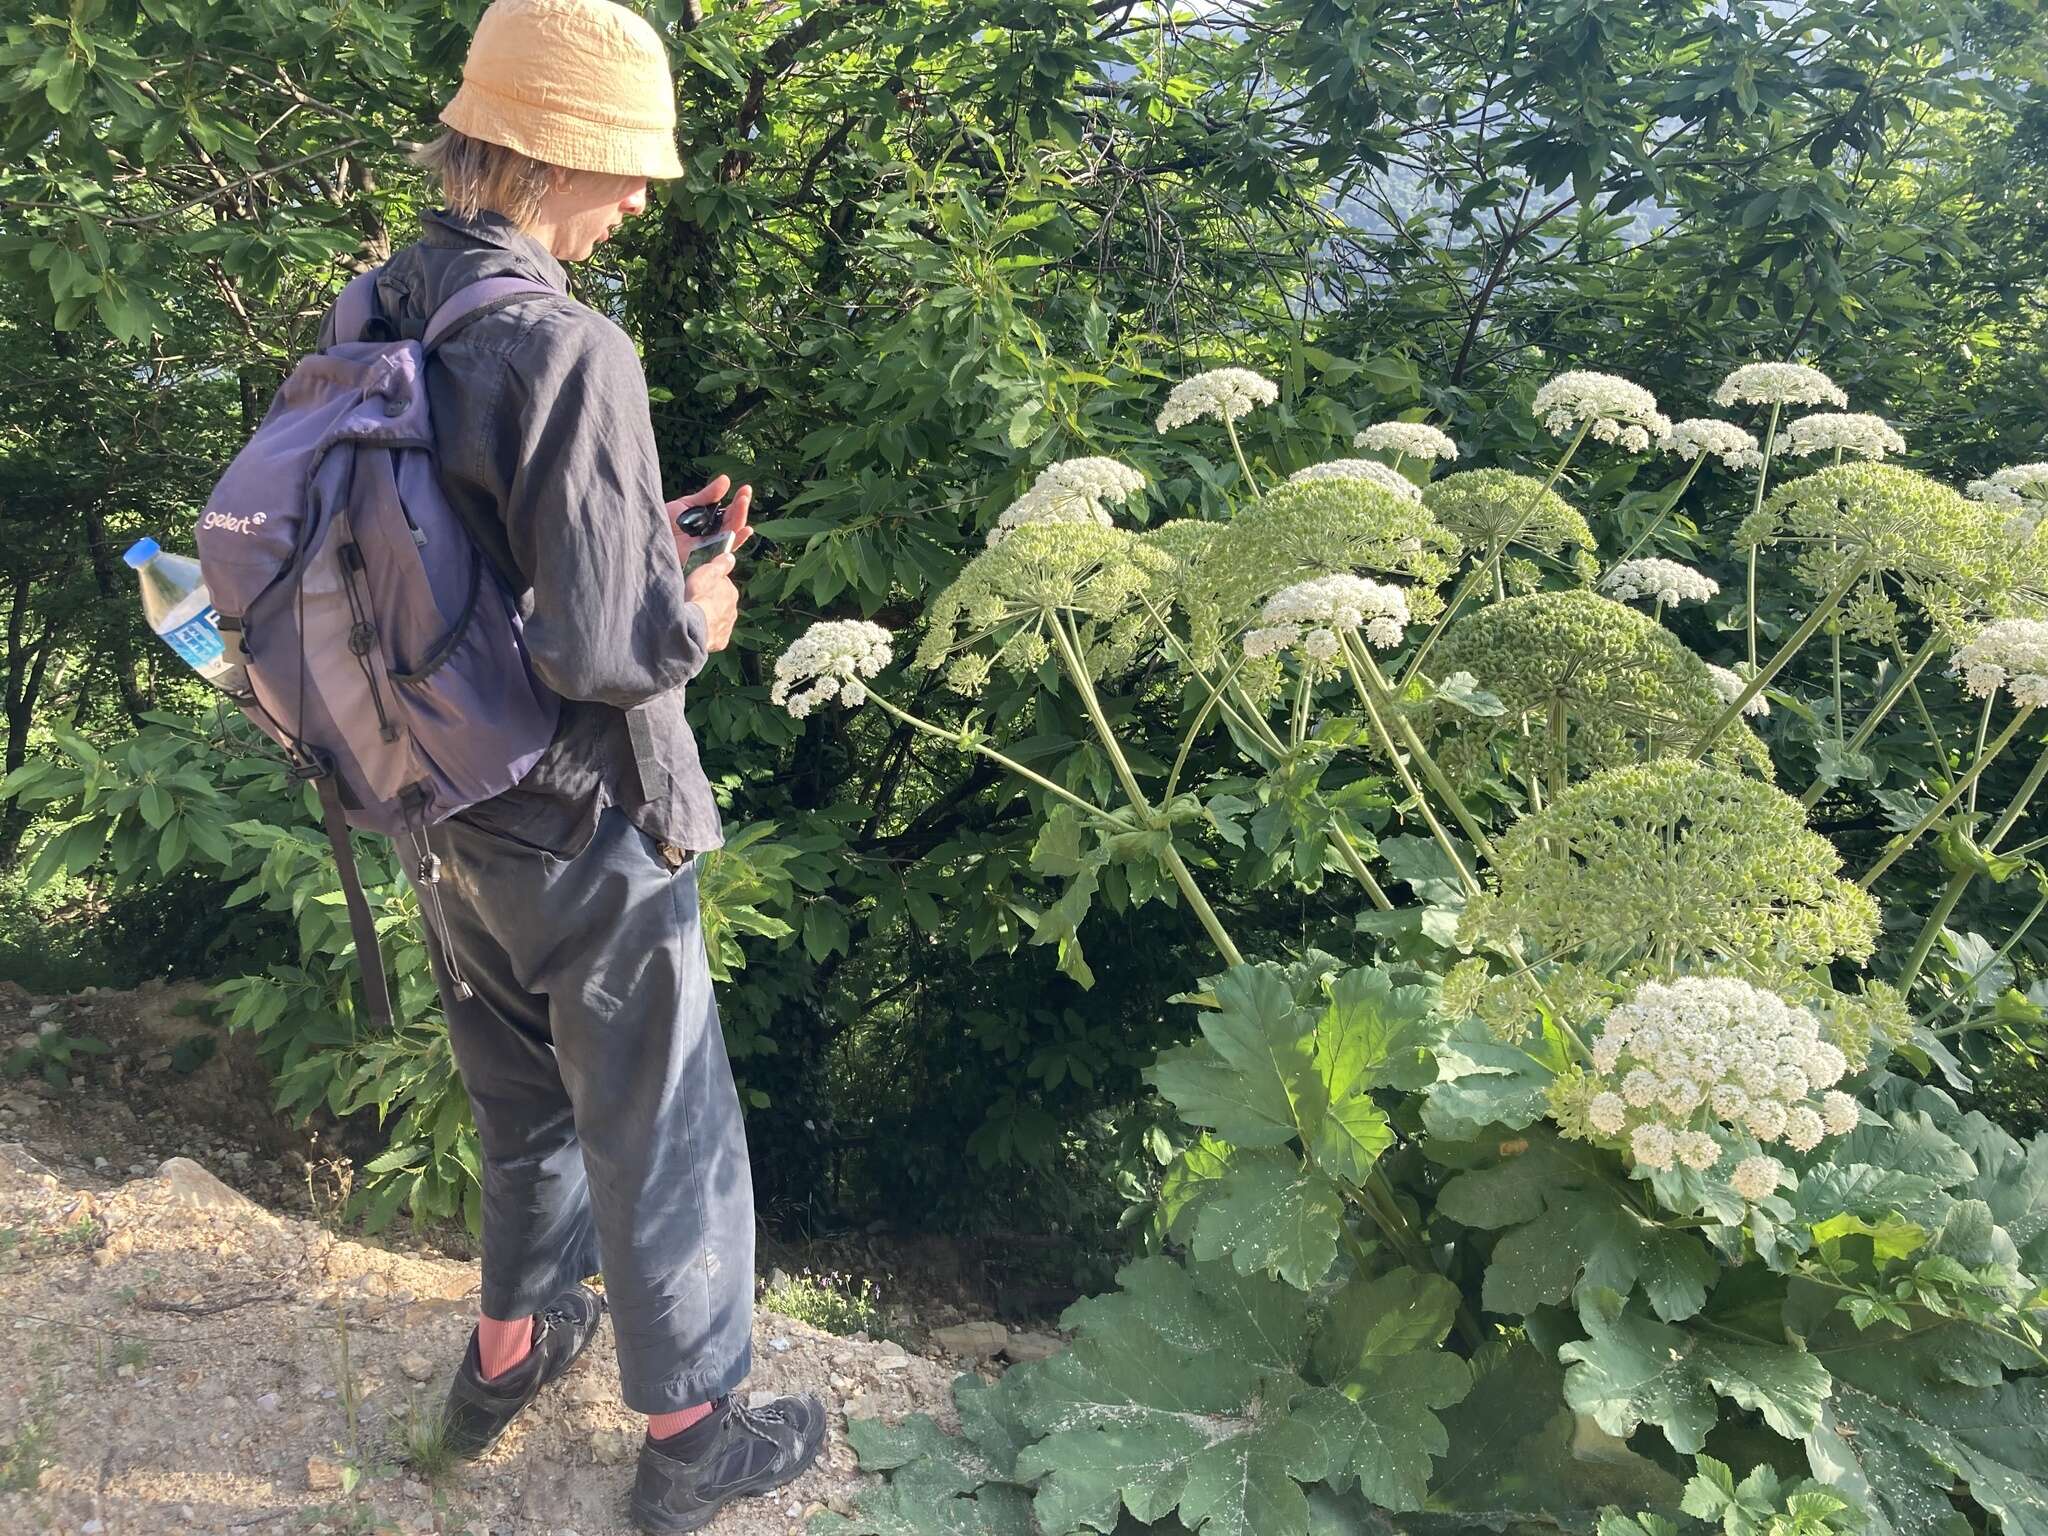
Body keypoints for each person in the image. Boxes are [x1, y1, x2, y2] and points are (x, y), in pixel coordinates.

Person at [325, 0, 825, 1527]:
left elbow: (467, 559)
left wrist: (634, 559)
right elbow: (615, 651)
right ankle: (689, 1437)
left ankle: (509, 1346)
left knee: (517, 1093)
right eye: (621, 171)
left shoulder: (385, 304)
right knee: (658, 1103)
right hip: (579, 805)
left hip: (438, 797)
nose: (636, 199)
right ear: (543, 157)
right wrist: (708, 606)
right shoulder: (567, 342)